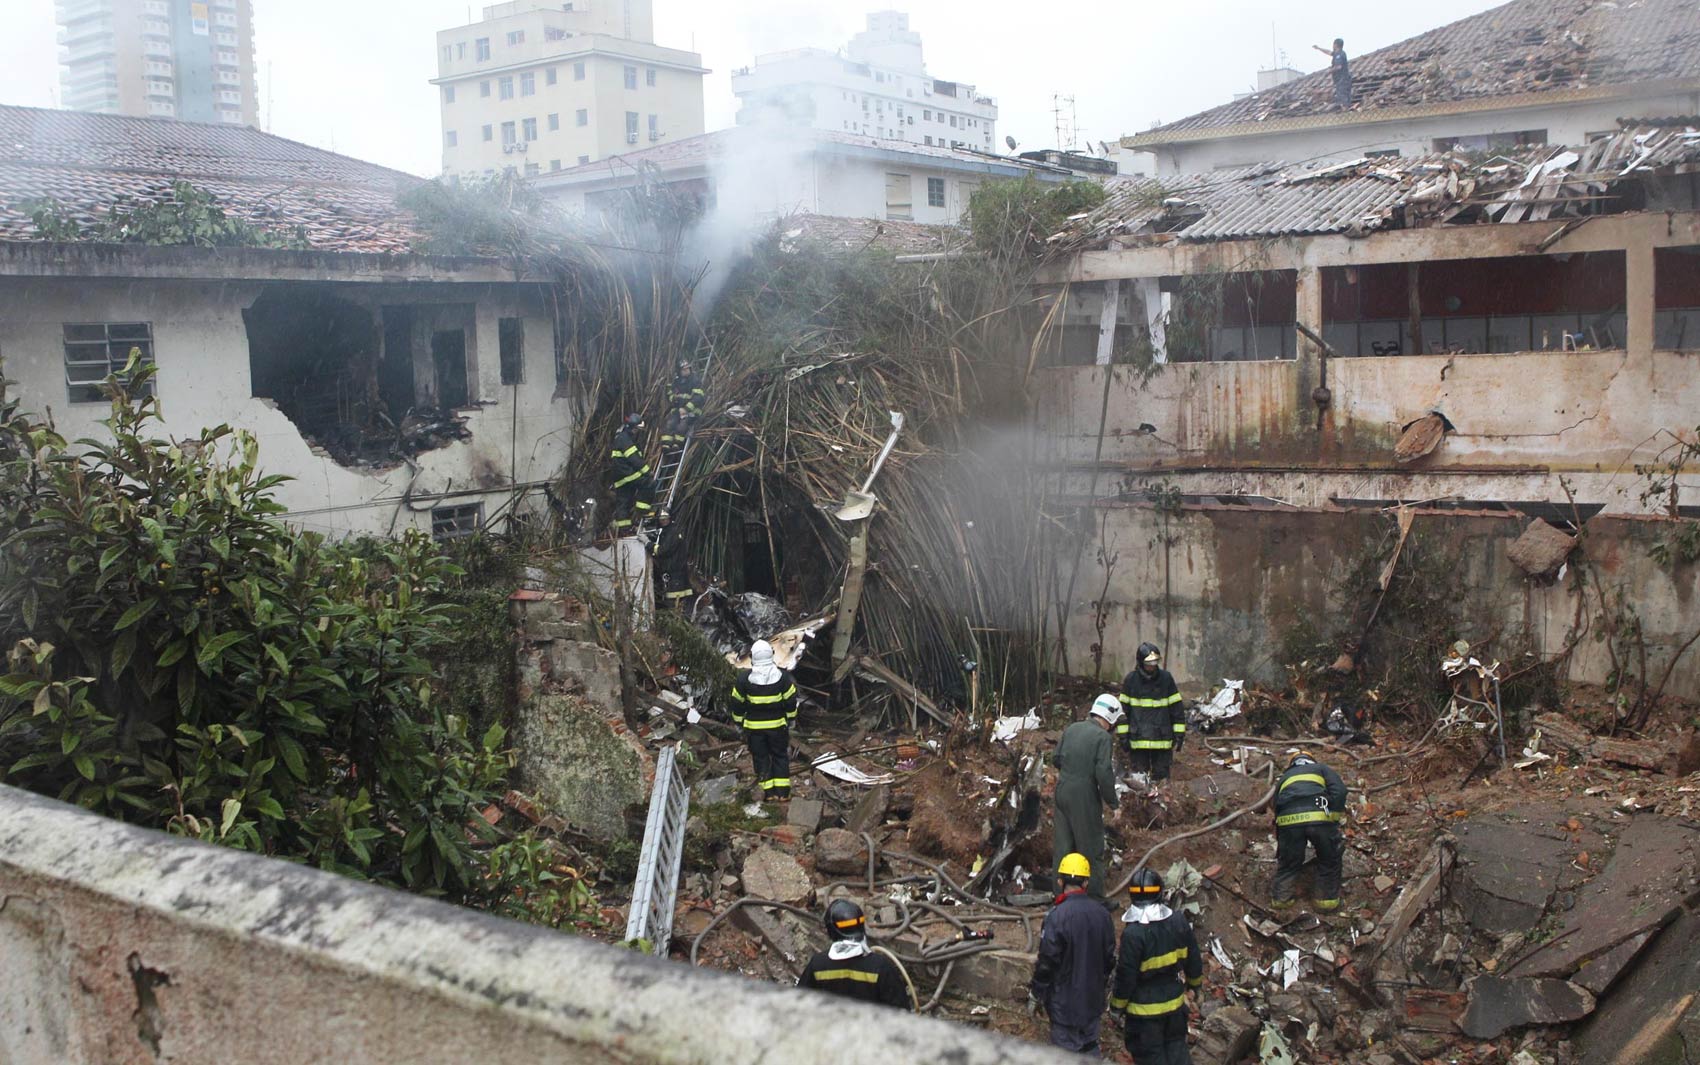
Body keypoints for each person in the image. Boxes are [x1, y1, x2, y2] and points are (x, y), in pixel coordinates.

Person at [1111, 868, 1203, 1065]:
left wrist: (1116, 1008)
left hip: (1144, 1019)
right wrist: (1195, 986)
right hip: (1175, 1010)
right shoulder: (1178, 921)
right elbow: (1193, 959)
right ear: (1160, 892)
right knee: (1178, 1055)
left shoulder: (1133, 933)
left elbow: (1126, 976)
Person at [1030, 853, 1118, 1053]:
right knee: (1090, 1050)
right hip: (1092, 1003)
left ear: (1060, 881)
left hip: (1064, 1007)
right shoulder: (1103, 915)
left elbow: (1047, 963)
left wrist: (1036, 993)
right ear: (1086, 882)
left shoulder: (1056, 916)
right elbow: (1109, 960)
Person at [1053, 694, 1123, 899]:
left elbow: (1055, 758)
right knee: (1091, 848)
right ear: (1109, 719)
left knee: (1063, 848)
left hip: (1062, 790)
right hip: (1084, 795)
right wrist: (1113, 803)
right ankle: (1094, 900)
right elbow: (1104, 773)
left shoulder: (1072, 728)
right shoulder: (1103, 738)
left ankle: (1059, 896)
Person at [798, 898, 913, 1009]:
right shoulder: (880, 966)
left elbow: (798, 1004)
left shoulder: (818, 964)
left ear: (831, 930)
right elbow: (900, 1012)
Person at [1271, 753, 1349, 912]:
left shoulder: (1285, 777)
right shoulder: (1321, 769)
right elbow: (1340, 791)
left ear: (1292, 763)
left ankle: (1282, 902)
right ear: (1312, 760)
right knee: (1329, 858)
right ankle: (1325, 902)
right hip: (1320, 819)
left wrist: (1283, 835)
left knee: (1289, 863)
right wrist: (1332, 815)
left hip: (1289, 822)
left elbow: (1275, 804)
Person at [730, 639, 797, 802]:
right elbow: (791, 701)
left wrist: (738, 723)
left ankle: (768, 793)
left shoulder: (744, 679)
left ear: (752, 657)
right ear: (771, 655)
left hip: (754, 730)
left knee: (761, 758)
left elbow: (737, 703)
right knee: (780, 756)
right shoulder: (783, 678)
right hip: (778, 727)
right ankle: (782, 793)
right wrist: (791, 719)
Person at [1119, 643, 1187, 782]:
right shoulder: (1131, 680)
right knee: (1139, 781)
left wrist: (1179, 733)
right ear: (1140, 662)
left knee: (1161, 781)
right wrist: (1123, 737)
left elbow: (1176, 709)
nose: (1152, 666)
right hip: (1138, 741)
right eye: (1149, 663)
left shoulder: (1166, 679)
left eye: (1155, 662)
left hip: (1162, 740)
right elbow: (1123, 712)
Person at [608, 412, 653, 534]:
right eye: (636, 429)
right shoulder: (625, 439)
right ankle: (642, 510)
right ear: (632, 427)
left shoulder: (620, 438)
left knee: (623, 502)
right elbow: (634, 459)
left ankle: (624, 529)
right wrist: (648, 471)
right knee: (648, 483)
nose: (636, 432)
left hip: (619, 478)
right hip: (628, 474)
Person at [650, 509, 691, 610]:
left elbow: (663, 550)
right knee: (674, 602)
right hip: (674, 574)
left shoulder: (673, 532)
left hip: (675, 574)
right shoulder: (668, 531)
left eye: (665, 518)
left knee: (674, 603)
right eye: (661, 518)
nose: (663, 521)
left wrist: (648, 544)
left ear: (670, 518)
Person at [1312, 38, 1351, 106]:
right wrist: (1319, 48)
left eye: (1333, 44)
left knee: (1342, 95)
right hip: (1340, 79)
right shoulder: (1338, 53)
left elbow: (1339, 66)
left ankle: (1345, 110)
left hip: (1342, 78)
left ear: (1335, 45)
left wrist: (1329, 71)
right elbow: (1328, 52)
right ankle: (1346, 109)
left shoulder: (1340, 54)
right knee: (1342, 95)